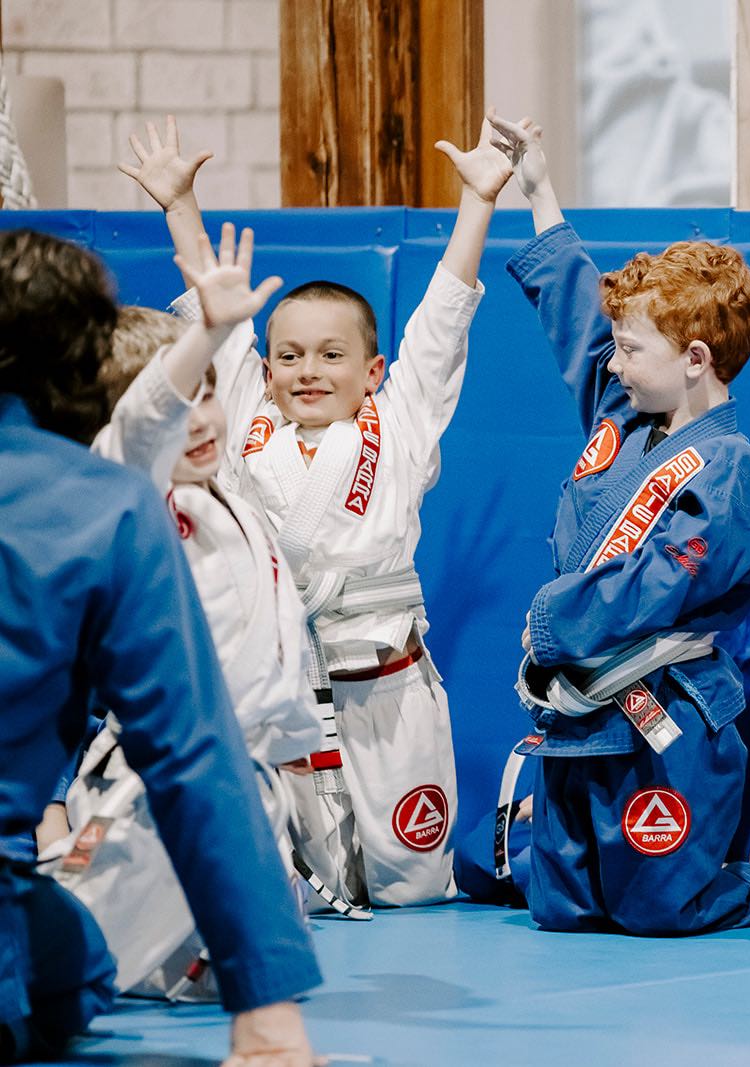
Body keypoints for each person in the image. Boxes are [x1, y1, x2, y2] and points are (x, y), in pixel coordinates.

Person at [119, 114, 514, 906]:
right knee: (279, 888)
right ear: (265, 369)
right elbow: (218, 314)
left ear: (371, 369)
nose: (308, 371)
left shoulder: (398, 422)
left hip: (386, 687)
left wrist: (477, 203)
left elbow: (440, 321)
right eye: (290, 356)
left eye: (332, 355)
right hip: (281, 692)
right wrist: (179, 206)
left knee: (411, 890)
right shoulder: (243, 416)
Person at [452, 115, 750, 935]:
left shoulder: (730, 466)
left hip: (666, 712)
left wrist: (551, 621)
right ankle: (520, 851)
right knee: (560, 909)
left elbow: (659, 582)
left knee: (658, 911)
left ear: (697, 359)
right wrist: (539, 190)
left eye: (632, 348)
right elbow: (577, 311)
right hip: (581, 709)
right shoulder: (625, 412)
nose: (615, 359)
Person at [0, 227, 319, 1064]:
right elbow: (188, 753)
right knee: (83, 965)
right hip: (155, 781)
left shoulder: (230, 490)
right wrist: (269, 1009)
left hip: (279, 762)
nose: (201, 413)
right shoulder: (105, 495)